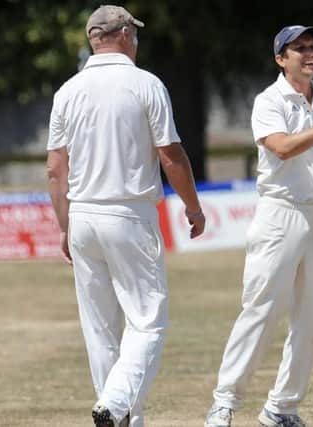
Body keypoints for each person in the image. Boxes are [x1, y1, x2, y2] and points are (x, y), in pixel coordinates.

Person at [46, 5, 205, 427]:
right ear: (122, 35)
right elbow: (171, 156)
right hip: (129, 213)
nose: (136, 40)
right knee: (148, 321)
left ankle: (123, 417)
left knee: (100, 328)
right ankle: (116, 406)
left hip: (82, 214)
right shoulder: (145, 83)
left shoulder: (68, 90)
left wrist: (64, 225)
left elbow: (55, 168)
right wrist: (192, 205)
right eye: (133, 33)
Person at [204, 25, 313, 427]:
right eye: (299, 49)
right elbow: (281, 147)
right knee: (260, 309)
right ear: (281, 58)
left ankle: (283, 407)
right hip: (280, 212)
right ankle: (224, 402)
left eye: (312, 47)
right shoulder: (269, 100)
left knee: (311, 317)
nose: (309, 54)